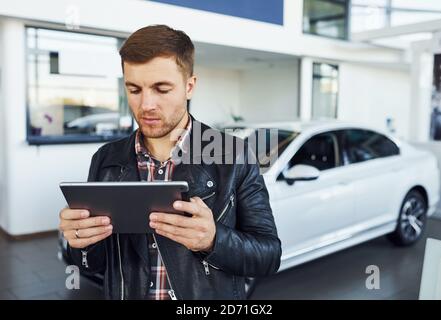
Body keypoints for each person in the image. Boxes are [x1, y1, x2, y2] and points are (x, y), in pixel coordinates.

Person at [58, 25, 281, 300]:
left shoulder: (234, 155)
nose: (146, 104)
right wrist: (80, 243)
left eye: (161, 89)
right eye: (134, 89)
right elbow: (92, 265)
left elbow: (269, 256)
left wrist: (214, 241)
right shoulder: (106, 159)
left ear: (189, 87)